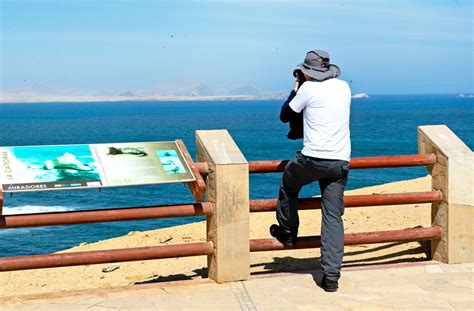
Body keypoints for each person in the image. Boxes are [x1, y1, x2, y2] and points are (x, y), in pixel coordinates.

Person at [270, 50, 351, 292]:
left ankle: (288, 230)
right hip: (340, 162)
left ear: (307, 72)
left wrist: (296, 86)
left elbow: (285, 115)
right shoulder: (343, 87)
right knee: (333, 217)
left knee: (288, 183)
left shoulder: (307, 89)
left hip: (312, 160)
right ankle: (331, 276)